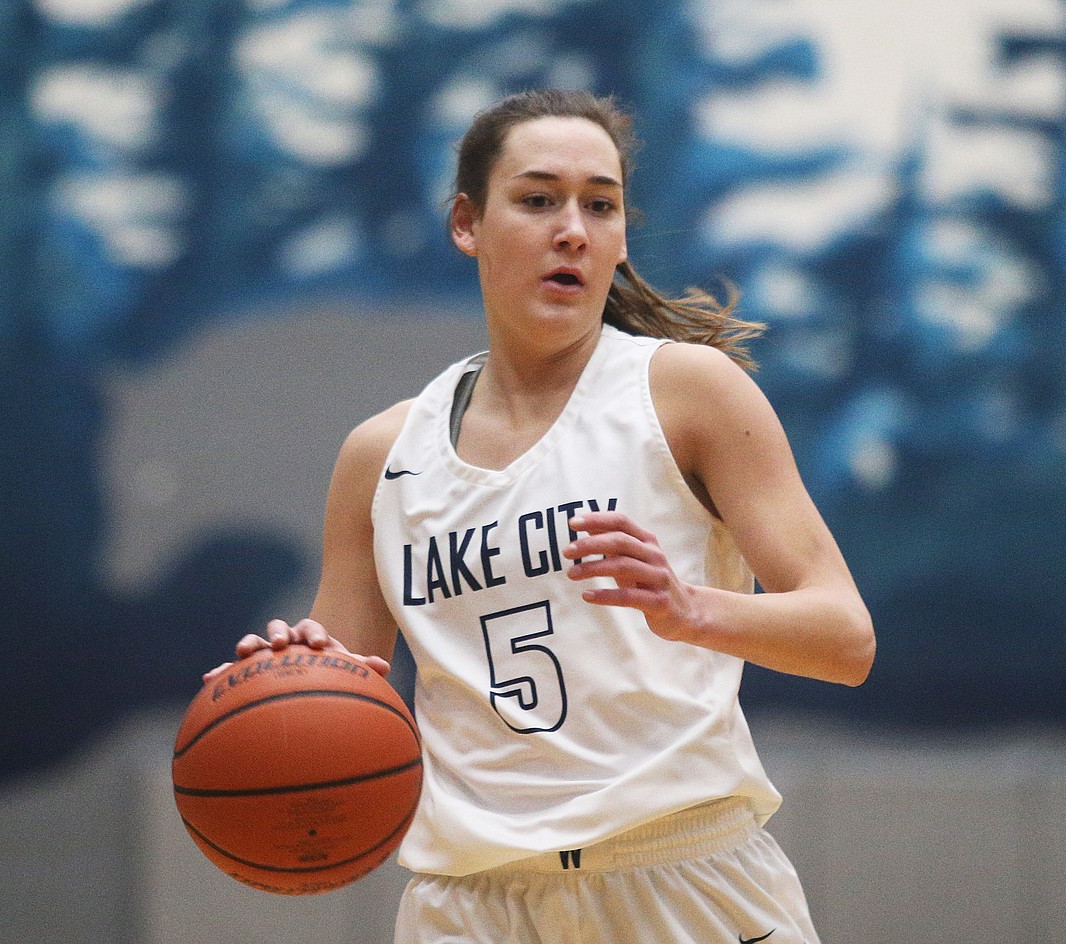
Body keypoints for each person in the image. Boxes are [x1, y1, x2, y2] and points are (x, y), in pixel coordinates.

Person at [205, 88, 874, 944]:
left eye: (601, 204)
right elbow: (345, 698)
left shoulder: (688, 393)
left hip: (684, 881)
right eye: (537, 199)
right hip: (471, 905)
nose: (573, 229)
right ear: (466, 223)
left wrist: (690, 607)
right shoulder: (381, 455)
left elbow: (846, 638)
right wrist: (283, 683)